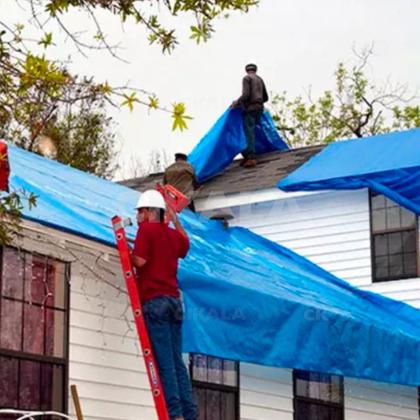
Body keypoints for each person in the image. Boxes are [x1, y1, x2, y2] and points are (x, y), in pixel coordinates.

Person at [131, 189, 198, 420]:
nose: (138, 217)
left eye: (141, 211)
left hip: (155, 302)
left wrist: (127, 254)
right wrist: (175, 219)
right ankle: (189, 414)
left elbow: (140, 261)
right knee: (177, 362)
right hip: (174, 303)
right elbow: (186, 244)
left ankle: (175, 414)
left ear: (151, 212)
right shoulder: (172, 235)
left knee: (165, 363)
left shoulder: (146, 231)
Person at [232, 63, 269, 168]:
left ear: (246, 70)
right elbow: (266, 97)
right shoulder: (260, 79)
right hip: (259, 108)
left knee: (248, 131)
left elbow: (246, 95)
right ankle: (253, 153)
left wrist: (237, 102)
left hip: (251, 108)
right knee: (253, 130)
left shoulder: (247, 78)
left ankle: (250, 157)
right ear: (255, 70)